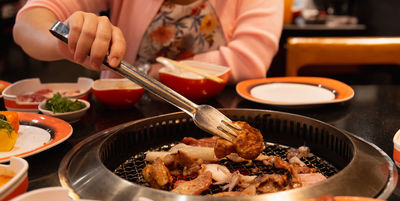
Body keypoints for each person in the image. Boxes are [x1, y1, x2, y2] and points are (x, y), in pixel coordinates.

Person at [13, 0, 283, 83]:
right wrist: (69, 39)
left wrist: (145, 73)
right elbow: (29, 22)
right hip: (120, 119)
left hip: (221, 113)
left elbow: (248, 62)